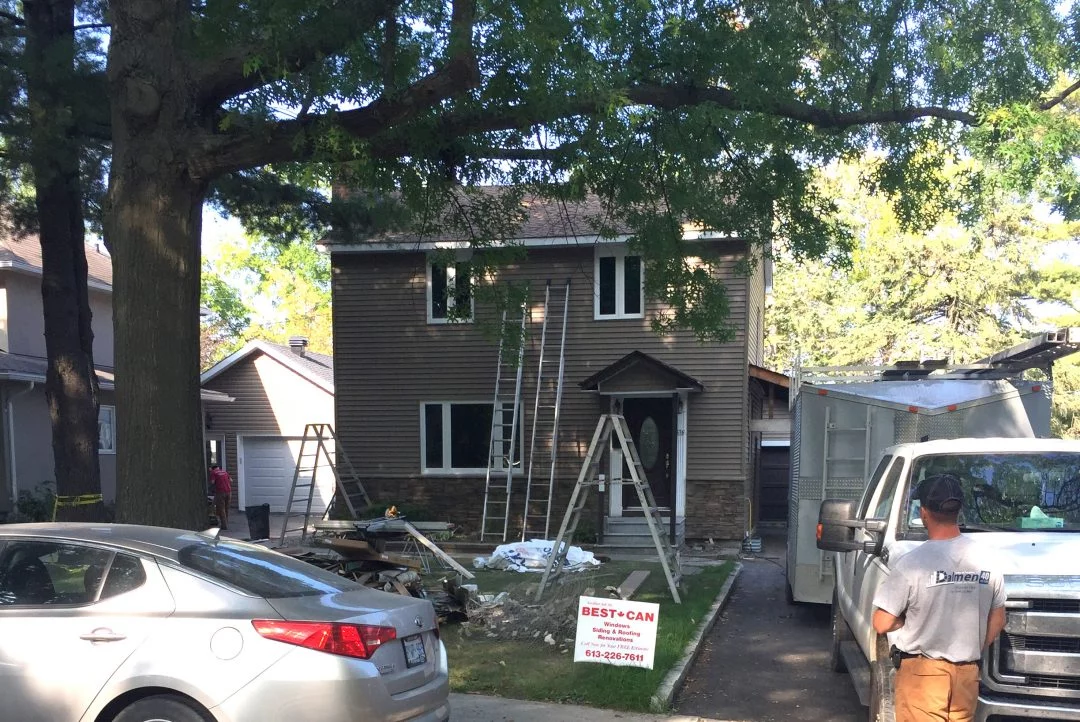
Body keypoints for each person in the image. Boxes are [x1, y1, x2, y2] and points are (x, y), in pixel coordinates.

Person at [872, 474, 1007, 722]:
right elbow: (998, 619)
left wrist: (906, 620)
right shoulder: (987, 560)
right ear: (959, 510)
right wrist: (971, 647)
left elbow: (881, 623)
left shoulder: (912, 564)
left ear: (924, 513)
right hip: (967, 675)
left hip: (922, 676)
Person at [209, 464, 232, 530]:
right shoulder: (225, 472)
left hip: (220, 492)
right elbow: (231, 480)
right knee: (226, 508)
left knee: (221, 509)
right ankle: (226, 522)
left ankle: (224, 526)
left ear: (213, 469)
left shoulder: (213, 472)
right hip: (229, 492)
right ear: (218, 468)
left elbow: (212, 482)